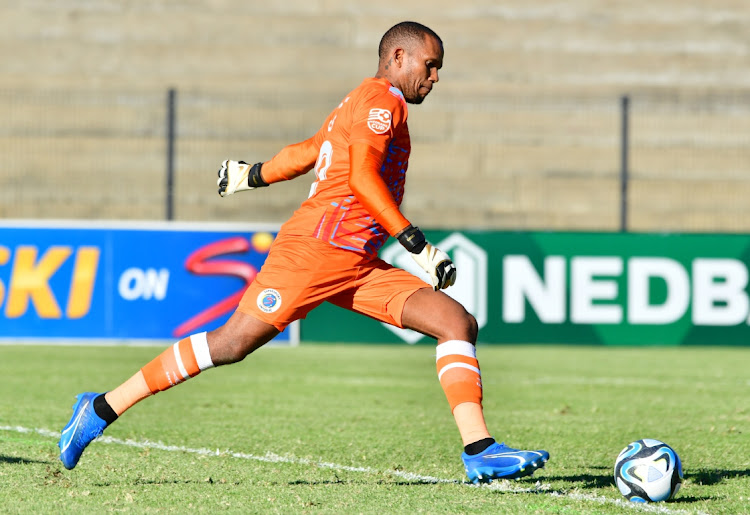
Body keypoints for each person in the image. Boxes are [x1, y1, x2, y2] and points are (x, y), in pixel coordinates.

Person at [58, 21, 549, 484]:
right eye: (431, 64)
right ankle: (100, 408)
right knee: (231, 344)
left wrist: (251, 175)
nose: (435, 77)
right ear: (399, 57)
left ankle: (479, 449)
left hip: (354, 261)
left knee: (455, 322)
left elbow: (310, 150)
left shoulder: (357, 101)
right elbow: (360, 177)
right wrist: (417, 245)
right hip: (316, 250)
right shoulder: (384, 102)